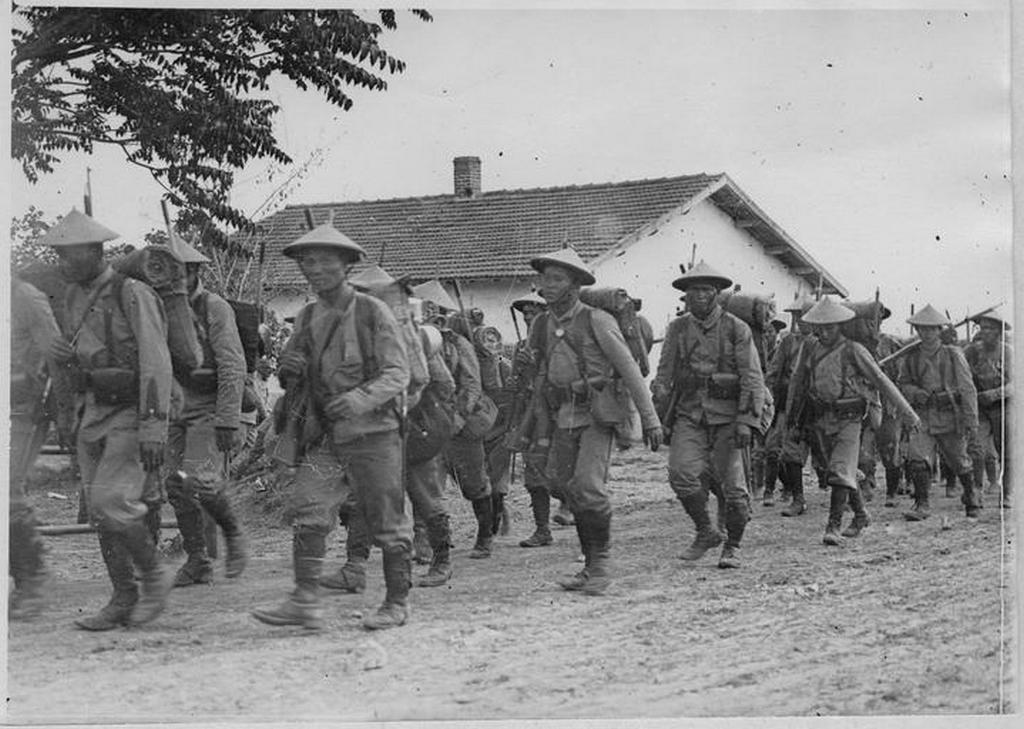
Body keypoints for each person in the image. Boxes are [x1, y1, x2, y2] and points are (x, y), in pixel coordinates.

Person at [250, 221, 412, 631]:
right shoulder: (306, 317)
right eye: (308, 262)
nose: (315, 269)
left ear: (345, 266)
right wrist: (290, 370)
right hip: (323, 434)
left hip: (373, 433)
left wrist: (357, 400)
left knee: (386, 517)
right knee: (310, 508)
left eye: (325, 261)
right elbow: (292, 375)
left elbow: (398, 373)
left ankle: (396, 602)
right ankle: (305, 600)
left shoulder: (372, 311)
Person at [42, 209, 175, 630]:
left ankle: (154, 576)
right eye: (58, 254)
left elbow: (156, 363)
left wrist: (155, 427)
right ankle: (123, 595)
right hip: (90, 414)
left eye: (70, 254)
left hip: (131, 414)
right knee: (101, 514)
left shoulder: (132, 293)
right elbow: (71, 361)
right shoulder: (73, 297)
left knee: (109, 501)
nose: (62, 262)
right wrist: (65, 411)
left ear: (96, 251)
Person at [529, 246, 662, 594]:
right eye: (545, 278)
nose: (548, 285)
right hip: (563, 415)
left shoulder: (597, 320)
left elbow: (629, 370)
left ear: (575, 286)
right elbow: (541, 372)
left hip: (599, 413)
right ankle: (588, 567)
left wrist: (650, 419)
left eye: (557, 279)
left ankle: (600, 565)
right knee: (562, 484)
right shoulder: (542, 323)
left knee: (587, 487)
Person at [318, 264, 458, 591]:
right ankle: (354, 568)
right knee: (363, 495)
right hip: (374, 427)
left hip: (413, 424)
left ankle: (442, 561)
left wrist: (400, 405)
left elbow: (427, 380)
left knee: (425, 496)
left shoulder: (408, 333)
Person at [651, 261, 763, 569]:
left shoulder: (736, 328)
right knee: (681, 474)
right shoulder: (677, 329)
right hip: (690, 414)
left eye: (705, 290)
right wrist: (659, 399)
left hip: (729, 418)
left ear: (716, 293)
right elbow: (665, 372)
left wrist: (746, 421)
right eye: (693, 290)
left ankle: (733, 545)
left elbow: (752, 377)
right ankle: (705, 530)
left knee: (735, 488)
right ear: (685, 295)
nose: (699, 296)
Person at [787, 298, 919, 545]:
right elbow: (798, 382)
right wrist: (791, 417)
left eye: (831, 327)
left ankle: (833, 526)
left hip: (851, 419)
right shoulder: (810, 348)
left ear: (842, 325)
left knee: (839, 469)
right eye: (820, 327)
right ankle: (860, 515)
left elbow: (881, 381)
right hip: (821, 418)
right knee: (838, 470)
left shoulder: (854, 350)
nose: (825, 332)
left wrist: (907, 412)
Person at [163, 238, 249, 587]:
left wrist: (228, 418)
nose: (174, 281)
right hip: (175, 406)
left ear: (195, 271)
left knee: (199, 479)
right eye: (167, 274)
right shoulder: (160, 308)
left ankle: (233, 531)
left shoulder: (215, 308)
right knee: (175, 484)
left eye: (181, 273)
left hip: (210, 406)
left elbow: (232, 364)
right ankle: (197, 559)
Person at [415, 281, 499, 560]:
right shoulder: (411, 343)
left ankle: (485, 536)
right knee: (426, 484)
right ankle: (426, 542)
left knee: (474, 483)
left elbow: (472, 385)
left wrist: (459, 417)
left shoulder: (457, 344)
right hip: (426, 425)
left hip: (459, 424)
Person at [9, 277, 63, 619]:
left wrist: (65, 411)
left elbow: (57, 356)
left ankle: (33, 577)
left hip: (23, 409)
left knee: (8, 493)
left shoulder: (25, 297)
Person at [897, 305, 980, 521]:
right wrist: (915, 392)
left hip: (950, 415)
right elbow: (903, 383)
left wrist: (971, 420)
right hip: (922, 415)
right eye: (922, 329)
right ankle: (922, 504)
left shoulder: (952, 354)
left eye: (931, 329)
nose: (926, 333)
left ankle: (971, 497)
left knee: (959, 460)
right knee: (917, 458)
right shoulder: (911, 357)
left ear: (939, 330)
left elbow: (967, 388)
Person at [762, 296, 815, 511]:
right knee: (777, 449)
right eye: (795, 316)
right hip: (790, 404)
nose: (799, 320)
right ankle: (793, 495)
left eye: (803, 316)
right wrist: (768, 395)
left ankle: (851, 500)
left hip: (817, 406)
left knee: (831, 457)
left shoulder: (820, 343)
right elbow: (774, 370)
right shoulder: (787, 342)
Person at [964, 309, 1012, 509]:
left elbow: (1016, 384)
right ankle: (976, 491)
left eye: (990, 328)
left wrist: (993, 394)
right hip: (980, 409)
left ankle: (1007, 493)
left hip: (1004, 405)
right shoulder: (972, 351)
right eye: (982, 328)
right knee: (976, 450)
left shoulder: (1008, 352)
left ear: (999, 331)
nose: (985, 332)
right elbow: (962, 376)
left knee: (1008, 452)